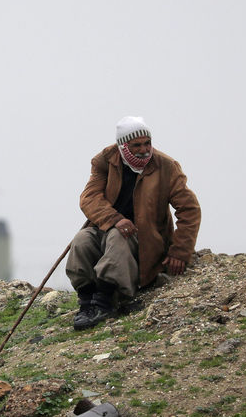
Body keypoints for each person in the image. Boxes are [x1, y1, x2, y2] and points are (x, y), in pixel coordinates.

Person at [65, 116, 201, 330]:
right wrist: (114, 219)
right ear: (122, 146)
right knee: (82, 240)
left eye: (147, 143)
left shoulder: (166, 167)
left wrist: (180, 251)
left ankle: (105, 301)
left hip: (146, 240)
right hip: (109, 228)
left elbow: (189, 209)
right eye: (136, 145)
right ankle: (87, 301)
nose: (144, 150)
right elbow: (89, 198)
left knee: (119, 236)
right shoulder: (105, 162)